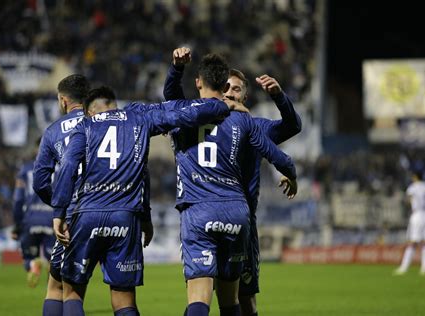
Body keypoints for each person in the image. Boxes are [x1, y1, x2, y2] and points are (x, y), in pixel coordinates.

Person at [51, 86, 246, 316]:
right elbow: (182, 113)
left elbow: (68, 167)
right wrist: (223, 105)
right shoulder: (138, 117)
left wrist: (59, 212)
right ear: (113, 104)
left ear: (90, 111)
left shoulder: (85, 126)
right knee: (124, 300)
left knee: (72, 291)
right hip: (126, 218)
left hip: (88, 213)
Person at [164, 47, 302, 316]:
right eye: (225, 87)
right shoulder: (237, 122)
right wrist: (290, 171)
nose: (228, 93)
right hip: (234, 214)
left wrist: (278, 97)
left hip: (235, 218)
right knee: (221, 297)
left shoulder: (250, 123)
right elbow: (282, 158)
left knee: (239, 299)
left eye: (236, 90)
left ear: (245, 96)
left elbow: (292, 126)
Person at [33, 74, 90, 316]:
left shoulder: (53, 131)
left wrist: (59, 204)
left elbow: (40, 181)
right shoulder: (101, 122)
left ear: (63, 100)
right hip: (108, 208)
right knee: (121, 292)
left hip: (73, 214)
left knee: (59, 288)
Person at [11, 142, 56, 288]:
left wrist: (17, 224)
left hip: (30, 219)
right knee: (54, 261)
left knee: (28, 257)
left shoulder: (25, 169)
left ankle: (32, 264)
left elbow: (18, 200)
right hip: (52, 219)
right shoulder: (60, 166)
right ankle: (52, 296)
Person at [394, 170, 425, 276]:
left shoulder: (413, 187)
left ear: (415, 177)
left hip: (418, 215)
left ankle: (404, 268)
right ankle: (424, 269)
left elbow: (408, 199)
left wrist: (410, 203)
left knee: (412, 242)